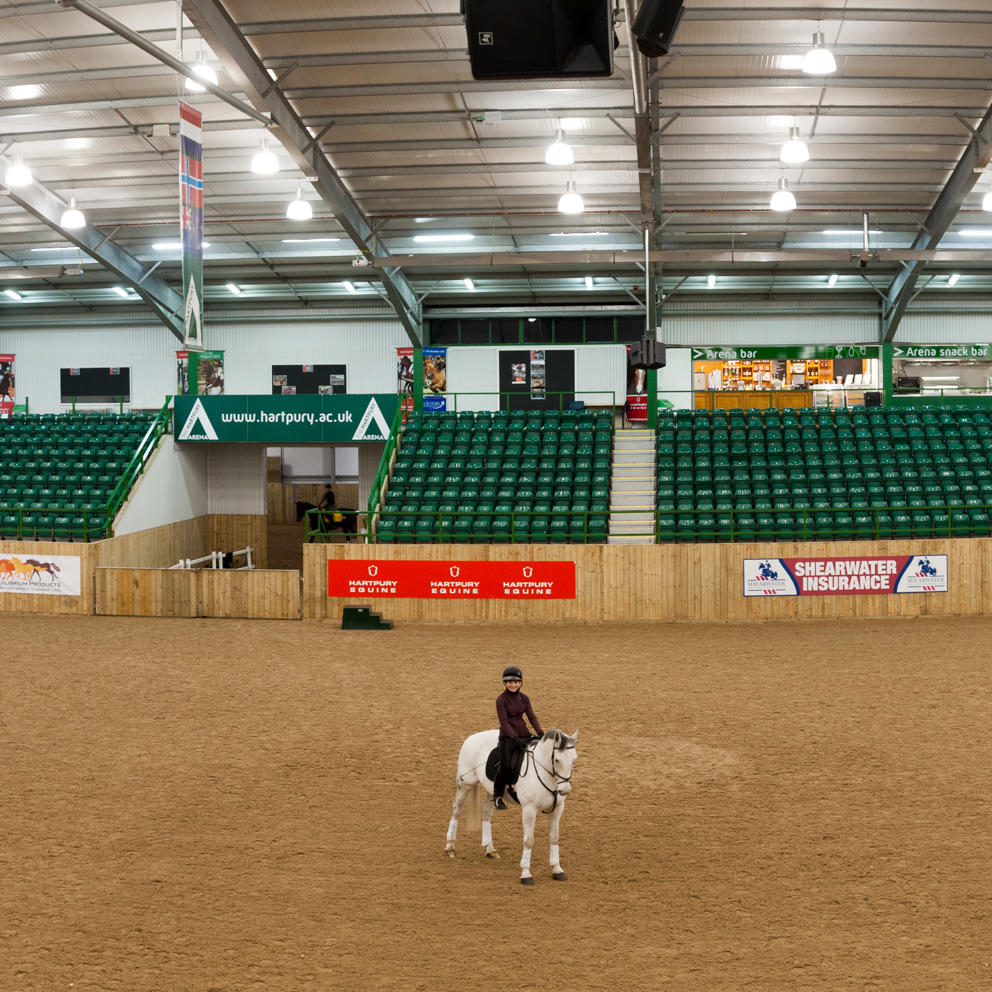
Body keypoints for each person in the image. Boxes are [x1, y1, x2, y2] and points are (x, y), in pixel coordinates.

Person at [492, 665, 543, 810]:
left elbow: (532, 717)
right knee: (506, 766)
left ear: (520, 682)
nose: (513, 684)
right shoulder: (501, 700)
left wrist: (540, 733)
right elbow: (504, 722)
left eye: (516, 681)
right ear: (505, 683)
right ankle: (497, 796)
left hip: (523, 734)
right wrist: (514, 738)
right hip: (507, 737)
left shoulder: (525, 698)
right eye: (509, 682)